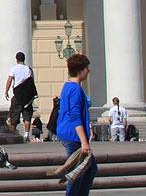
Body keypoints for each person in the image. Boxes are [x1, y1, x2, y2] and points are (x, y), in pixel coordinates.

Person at [55, 53, 97, 196]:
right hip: (72, 136)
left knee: (88, 169)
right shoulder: (75, 89)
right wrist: (84, 142)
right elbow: (74, 117)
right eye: (87, 68)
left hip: (69, 133)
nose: (88, 71)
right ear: (81, 70)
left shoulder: (68, 86)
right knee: (78, 173)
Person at [3, 52, 36, 140]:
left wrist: (6, 91)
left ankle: (13, 133)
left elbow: (9, 80)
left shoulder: (13, 69)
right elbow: (31, 81)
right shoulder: (29, 69)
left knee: (14, 115)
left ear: (16, 59)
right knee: (27, 116)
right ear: (24, 59)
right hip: (27, 96)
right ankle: (26, 135)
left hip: (17, 96)